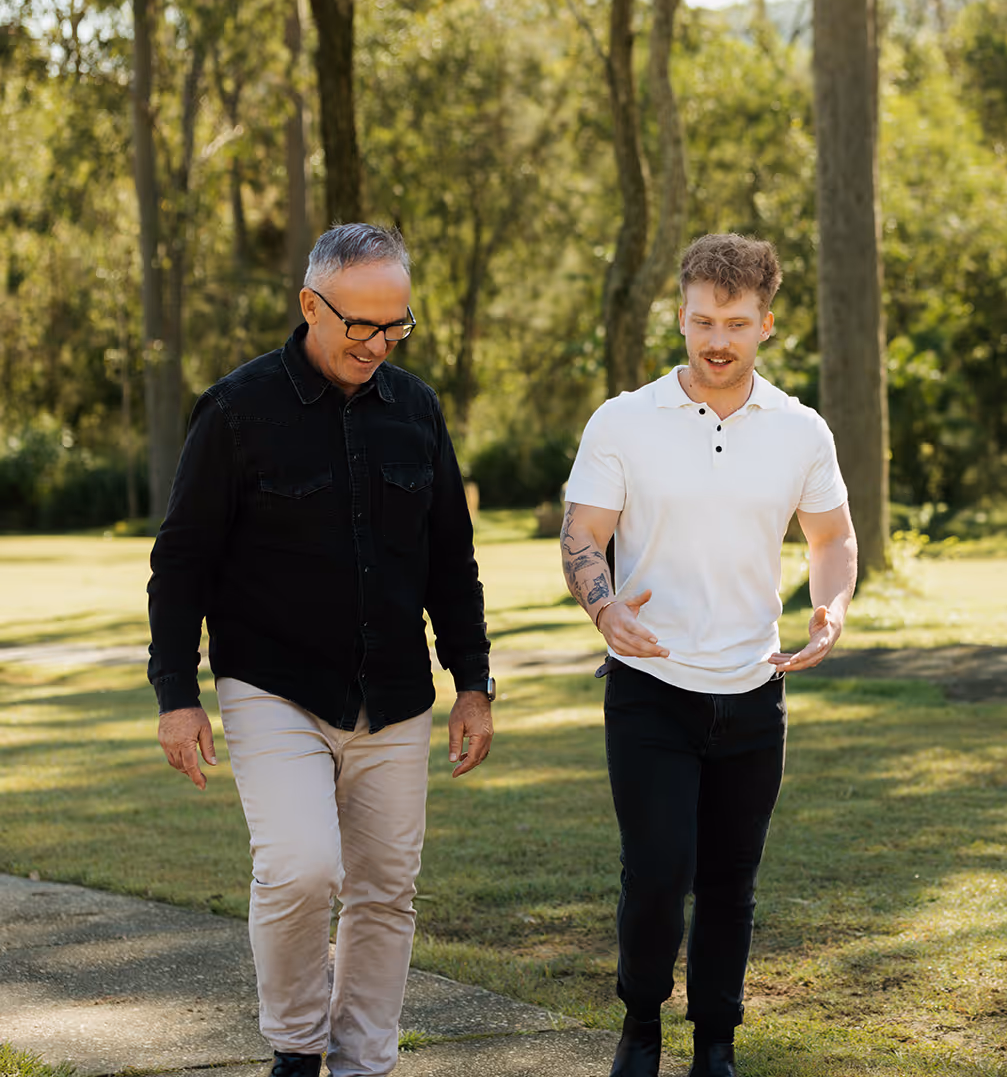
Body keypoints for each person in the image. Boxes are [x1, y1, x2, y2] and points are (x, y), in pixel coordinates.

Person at [147, 223, 495, 1077]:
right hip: (274, 684)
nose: (378, 345)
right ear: (311, 305)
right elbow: (181, 558)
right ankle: (297, 1050)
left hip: (396, 693)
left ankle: (365, 1061)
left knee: (386, 890)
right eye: (359, 326)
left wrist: (474, 681)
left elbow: (451, 558)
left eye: (396, 328)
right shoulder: (236, 410)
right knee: (301, 869)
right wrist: (175, 694)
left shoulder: (417, 409)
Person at [561, 233, 857, 1077]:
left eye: (734, 322)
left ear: (766, 324)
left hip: (755, 691)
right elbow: (583, 531)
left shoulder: (801, 430)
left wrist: (830, 606)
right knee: (656, 873)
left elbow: (833, 537)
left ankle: (716, 1046)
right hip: (651, 688)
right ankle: (640, 1025)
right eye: (700, 321)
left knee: (731, 882)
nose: (716, 339)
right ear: (680, 317)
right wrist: (604, 603)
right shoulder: (624, 419)